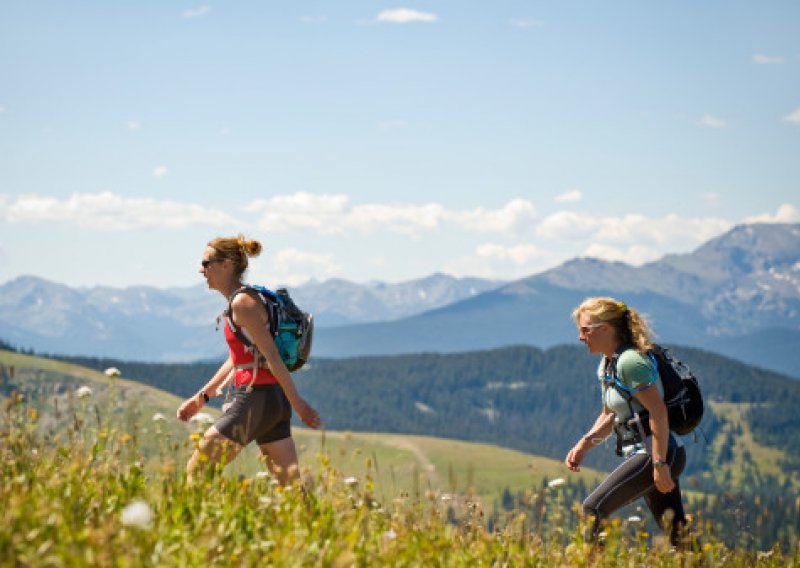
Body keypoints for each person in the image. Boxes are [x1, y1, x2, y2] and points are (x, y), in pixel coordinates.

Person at [177, 235, 321, 484]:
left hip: (254, 399)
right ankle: (313, 524)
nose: (201, 270)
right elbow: (239, 358)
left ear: (227, 264)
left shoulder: (243, 303)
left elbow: (272, 356)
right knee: (291, 492)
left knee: (197, 471)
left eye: (206, 262)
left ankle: (198, 524)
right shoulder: (246, 300)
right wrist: (202, 397)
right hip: (273, 402)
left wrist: (300, 405)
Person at [565, 297, 687, 547]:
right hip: (652, 455)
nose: (580, 337)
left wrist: (660, 462)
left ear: (606, 328)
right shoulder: (608, 364)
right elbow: (609, 415)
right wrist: (583, 446)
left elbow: (658, 412)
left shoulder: (630, 362)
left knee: (592, 509)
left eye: (585, 330)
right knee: (679, 538)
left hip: (656, 454)